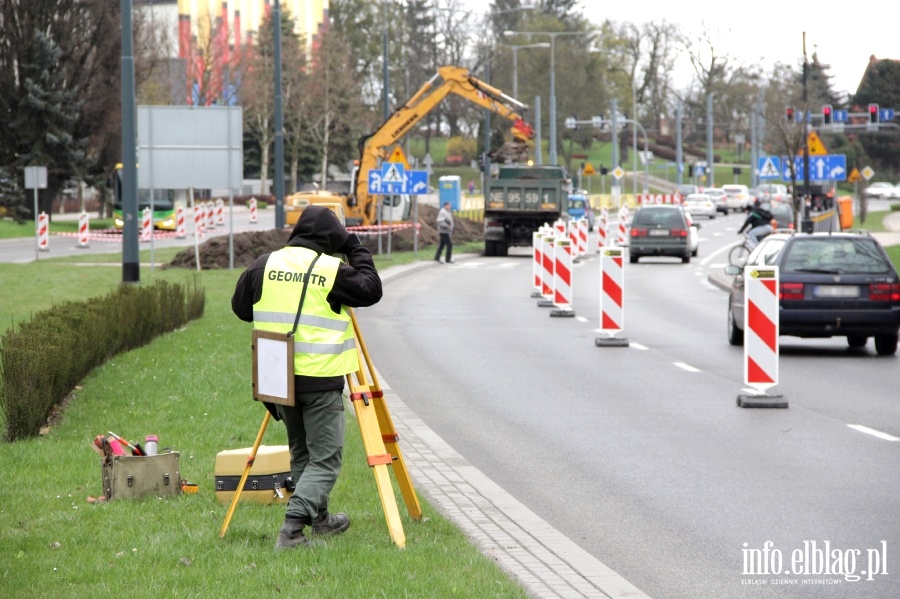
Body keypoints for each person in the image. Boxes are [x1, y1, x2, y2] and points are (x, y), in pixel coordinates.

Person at [231, 205, 382, 550]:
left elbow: (241, 308)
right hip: (318, 379)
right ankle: (292, 530)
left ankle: (321, 520)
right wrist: (354, 245)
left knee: (302, 452)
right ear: (332, 239)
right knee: (326, 459)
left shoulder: (263, 264)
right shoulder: (331, 270)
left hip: (275, 378)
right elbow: (371, 289)